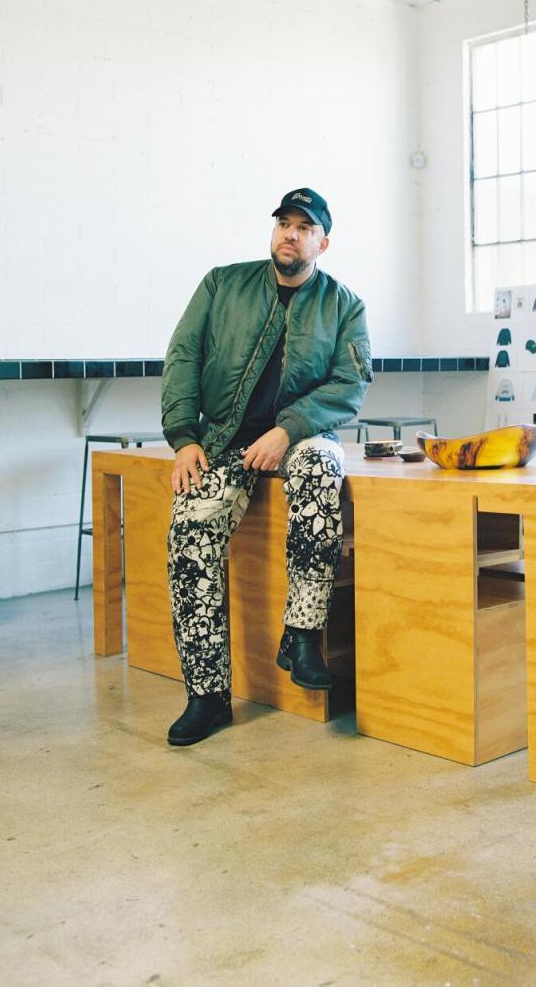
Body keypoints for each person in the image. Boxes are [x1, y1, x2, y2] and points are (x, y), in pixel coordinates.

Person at [160, 188, 372, 746]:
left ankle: (301, 634)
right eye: (284, 223)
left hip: (302, 436)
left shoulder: (344, 305)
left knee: (323, 467)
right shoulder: (222, 284)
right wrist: (184, 437)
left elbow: (350, 385)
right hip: (225, 439)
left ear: (322, 242)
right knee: (190, 534)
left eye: (304, 227)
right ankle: (207, 697)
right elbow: (183, 354)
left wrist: (288, 429)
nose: (290, 233)